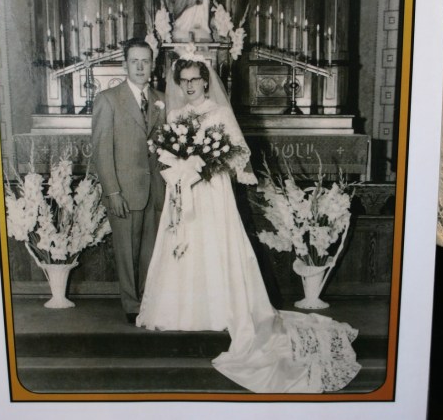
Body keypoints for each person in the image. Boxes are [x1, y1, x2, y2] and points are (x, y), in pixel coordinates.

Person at [136, 51, 361, 393]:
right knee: (183, 243)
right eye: (185, 81)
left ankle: (221, 309)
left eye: (196, 79)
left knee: (215, 245)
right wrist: (180, 163)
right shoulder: (177, 113)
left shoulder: (220, 112)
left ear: (206, 81)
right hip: (184, 191)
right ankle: (180, 310)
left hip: (212, 192)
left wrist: (209, 161)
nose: (190, 85)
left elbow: (240, 153)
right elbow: (167, 152)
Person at [90, 38, 166, 323]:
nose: (140, 66)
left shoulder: (162, 100)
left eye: (145, 61)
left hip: (156, 190)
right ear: (124, 65)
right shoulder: (108, 100)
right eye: (134, 61)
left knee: (151, 250)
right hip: (124, 191)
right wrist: (113, 192)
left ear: (152, 65)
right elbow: (101, 151)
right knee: (127, 251)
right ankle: (132, 306)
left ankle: (148, 302)